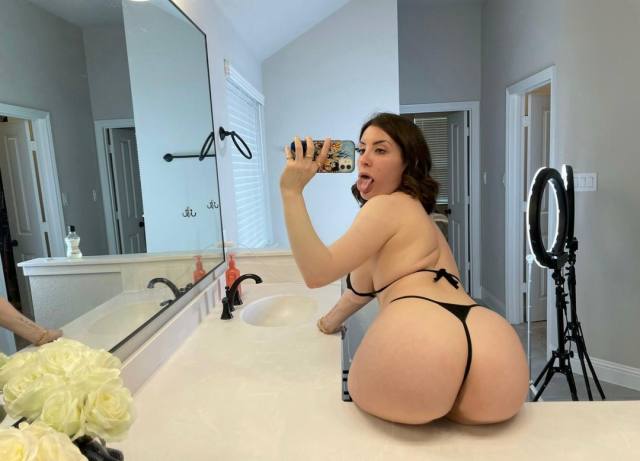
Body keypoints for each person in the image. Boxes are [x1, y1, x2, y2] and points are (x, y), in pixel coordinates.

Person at [280, 113, 529, 425]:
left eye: (380, 150)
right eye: (361, 149)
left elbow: (316, 273)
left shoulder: (384, 206)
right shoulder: (424, 221)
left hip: (421, 337)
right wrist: (326, 324)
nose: (364, 159)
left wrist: (291, 192)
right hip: (493, 342)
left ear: (408, 164)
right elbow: (357, 294)